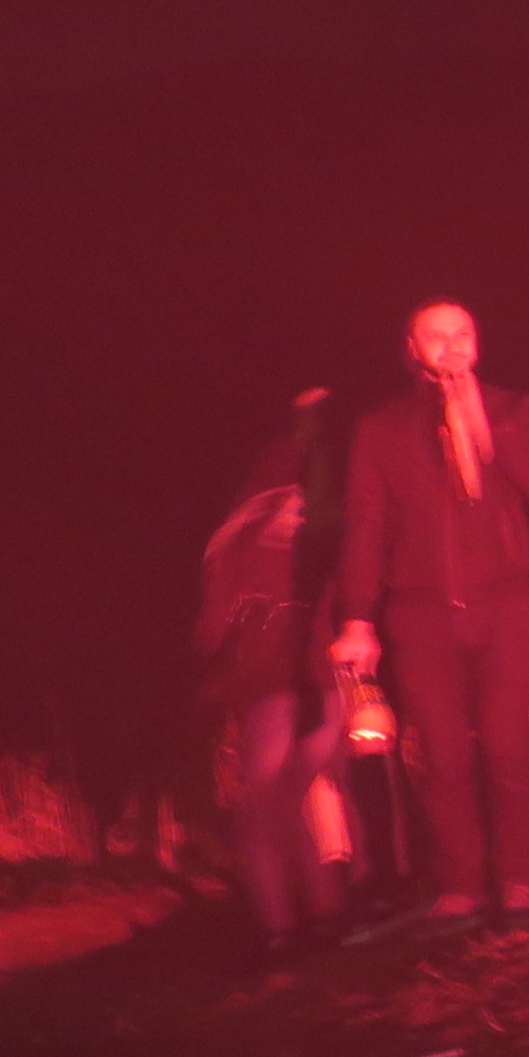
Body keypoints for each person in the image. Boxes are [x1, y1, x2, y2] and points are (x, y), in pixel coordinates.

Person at [328, 300, 529, 920]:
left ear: (478, 342)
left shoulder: (515, 409)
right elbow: (365, 524)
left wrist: (488, 427)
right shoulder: (383, 427)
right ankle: (461, 883)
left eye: (462, 333)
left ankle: (521, 878)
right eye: (434, 336)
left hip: (503, 602)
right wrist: (357, 618)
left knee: (509, 748)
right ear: (411, 350)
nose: (451, 345)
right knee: (443, 756)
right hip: (421, 612)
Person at [198, 389, 346, 950]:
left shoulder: (236, 535)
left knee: (262, 809)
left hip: (268, 681)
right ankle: (329, 910)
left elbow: (213, 627)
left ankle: (279, 926)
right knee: (306, 795)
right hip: (325, 676)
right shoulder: (320, 523)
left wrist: (215, 670)